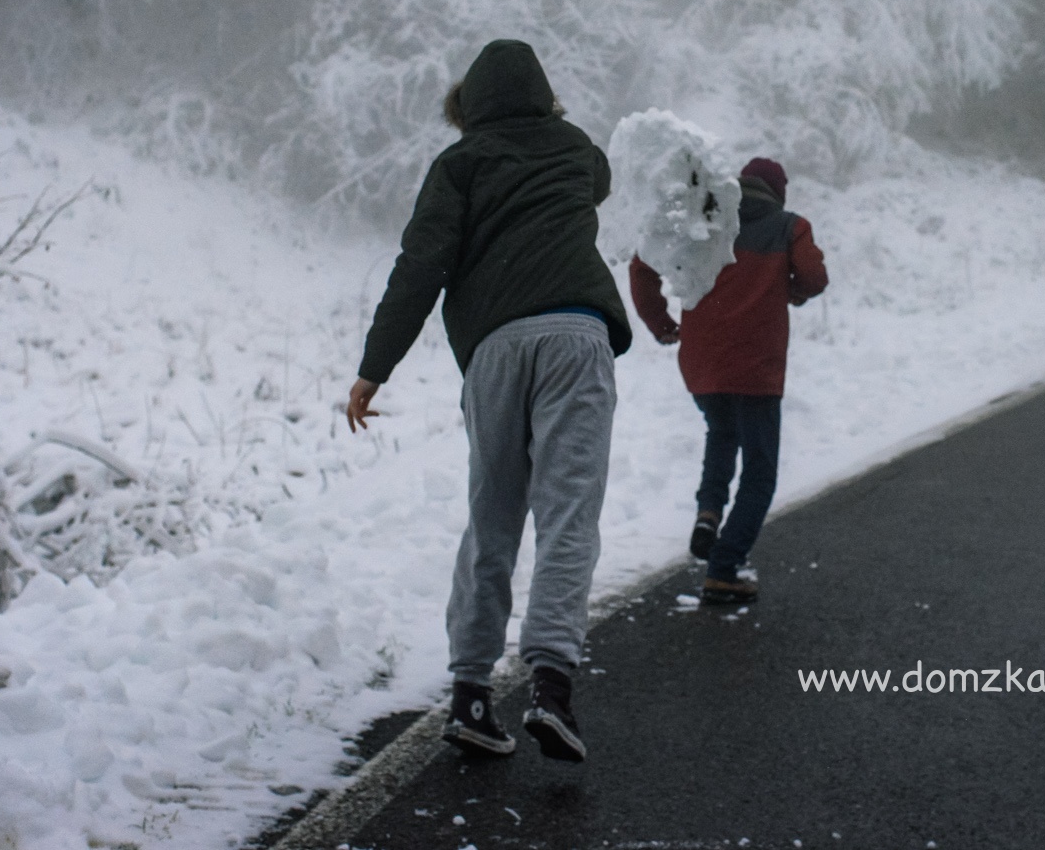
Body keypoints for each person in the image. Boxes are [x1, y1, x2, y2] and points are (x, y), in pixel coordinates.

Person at [345, 39, 632, 763]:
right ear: (545, 94)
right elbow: (602, 177)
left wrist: (374, 367)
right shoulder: (574, 150)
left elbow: (422, 266)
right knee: (568, 511)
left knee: (492, 517)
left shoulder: (458, 164)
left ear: (467, 107)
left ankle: (472, 694)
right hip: (575, 334)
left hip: (495, 348)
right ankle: (551, 686)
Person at [628, 156, 826, 605]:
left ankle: (709, 512)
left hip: (703, 365)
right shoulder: (788, 226)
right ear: (778, 192)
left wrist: (661, 324)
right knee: (760, 471)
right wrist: (790, 289)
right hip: (757, 369)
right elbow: (814, 275)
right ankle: (723, 569)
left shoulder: (704, 221)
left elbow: (642, 265)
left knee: (721, 433)